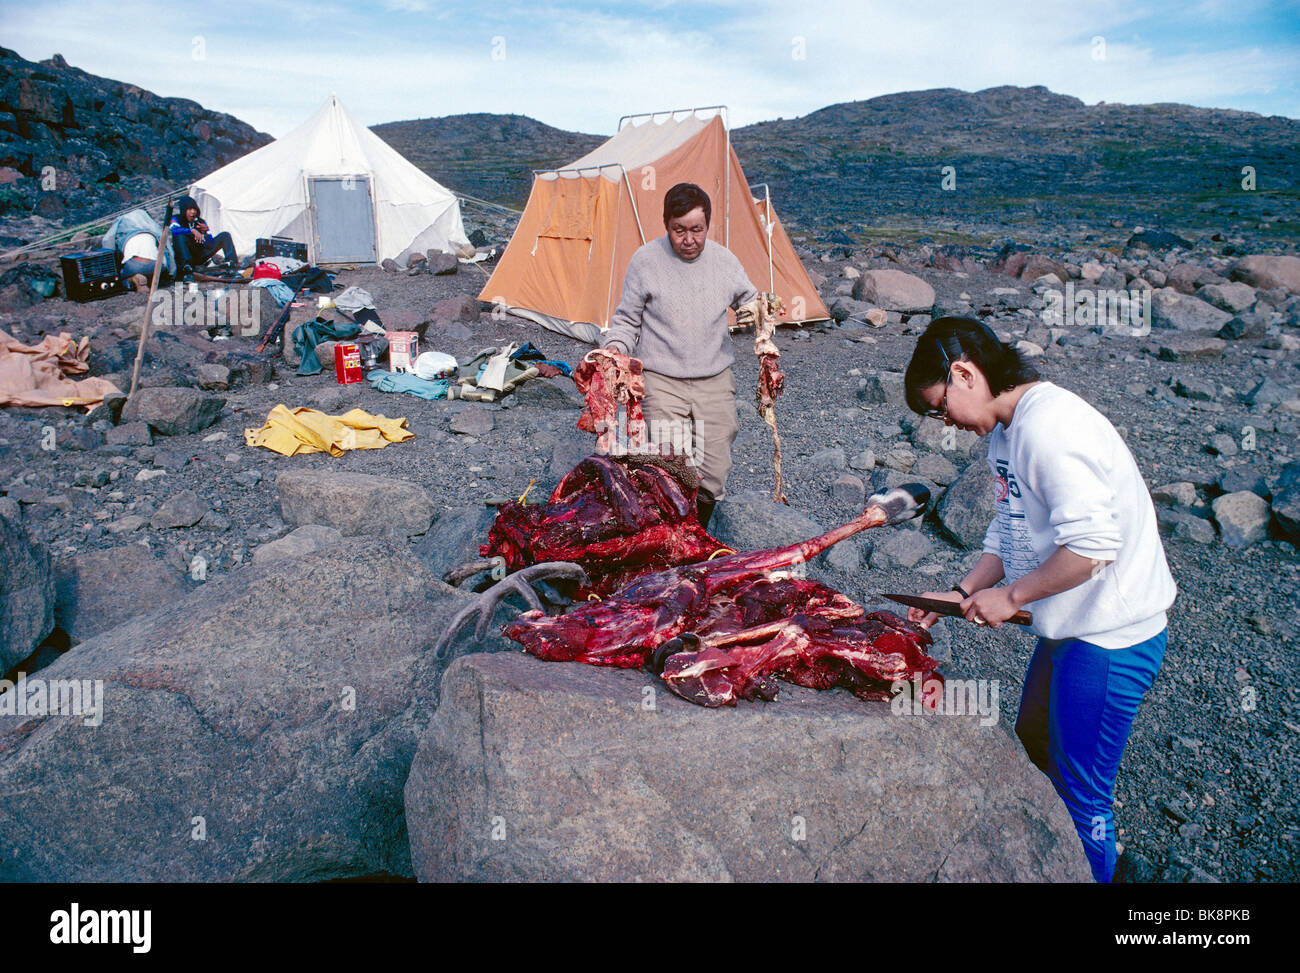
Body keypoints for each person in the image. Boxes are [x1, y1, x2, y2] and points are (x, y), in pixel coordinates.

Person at [901, 316, 1176, 883]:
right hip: (1070, 627)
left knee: (1082, 794)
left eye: (938, 408)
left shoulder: (1050, 428)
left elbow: (1095, 546)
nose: (945, 423)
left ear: (963, 374)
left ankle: (1099, 872)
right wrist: (964, 590)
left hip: (1110, 636)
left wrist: (1014, 596)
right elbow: (1011, 528)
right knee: (1033, 745)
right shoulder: (1008, 432)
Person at [599, 182, 758, 528]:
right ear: (666, 225)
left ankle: (697, 528)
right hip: (661, 379)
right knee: (673, 464)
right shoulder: (645, 261)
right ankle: (677, 536)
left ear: (708, 225)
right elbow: (627, 320)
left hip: (714, 379)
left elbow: (750, 299)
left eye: (696, 230)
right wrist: (614, 350)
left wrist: (754, 311)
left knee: (714, 469)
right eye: (679, 230)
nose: (689, 239)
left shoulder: (724, 261)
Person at [169, 194, 237, 273]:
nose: (193, 212)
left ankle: (231, 264)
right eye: (190, 209)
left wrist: (205, 233)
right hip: (186, 256)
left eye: (195, 209)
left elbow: (210, 245)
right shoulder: (176, 219)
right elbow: (173, 230)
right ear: (184, 210)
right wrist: (191, 231)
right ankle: (186, 268)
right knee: (179, 236)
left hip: (200, 255)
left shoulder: (200, 222)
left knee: (225, 235)